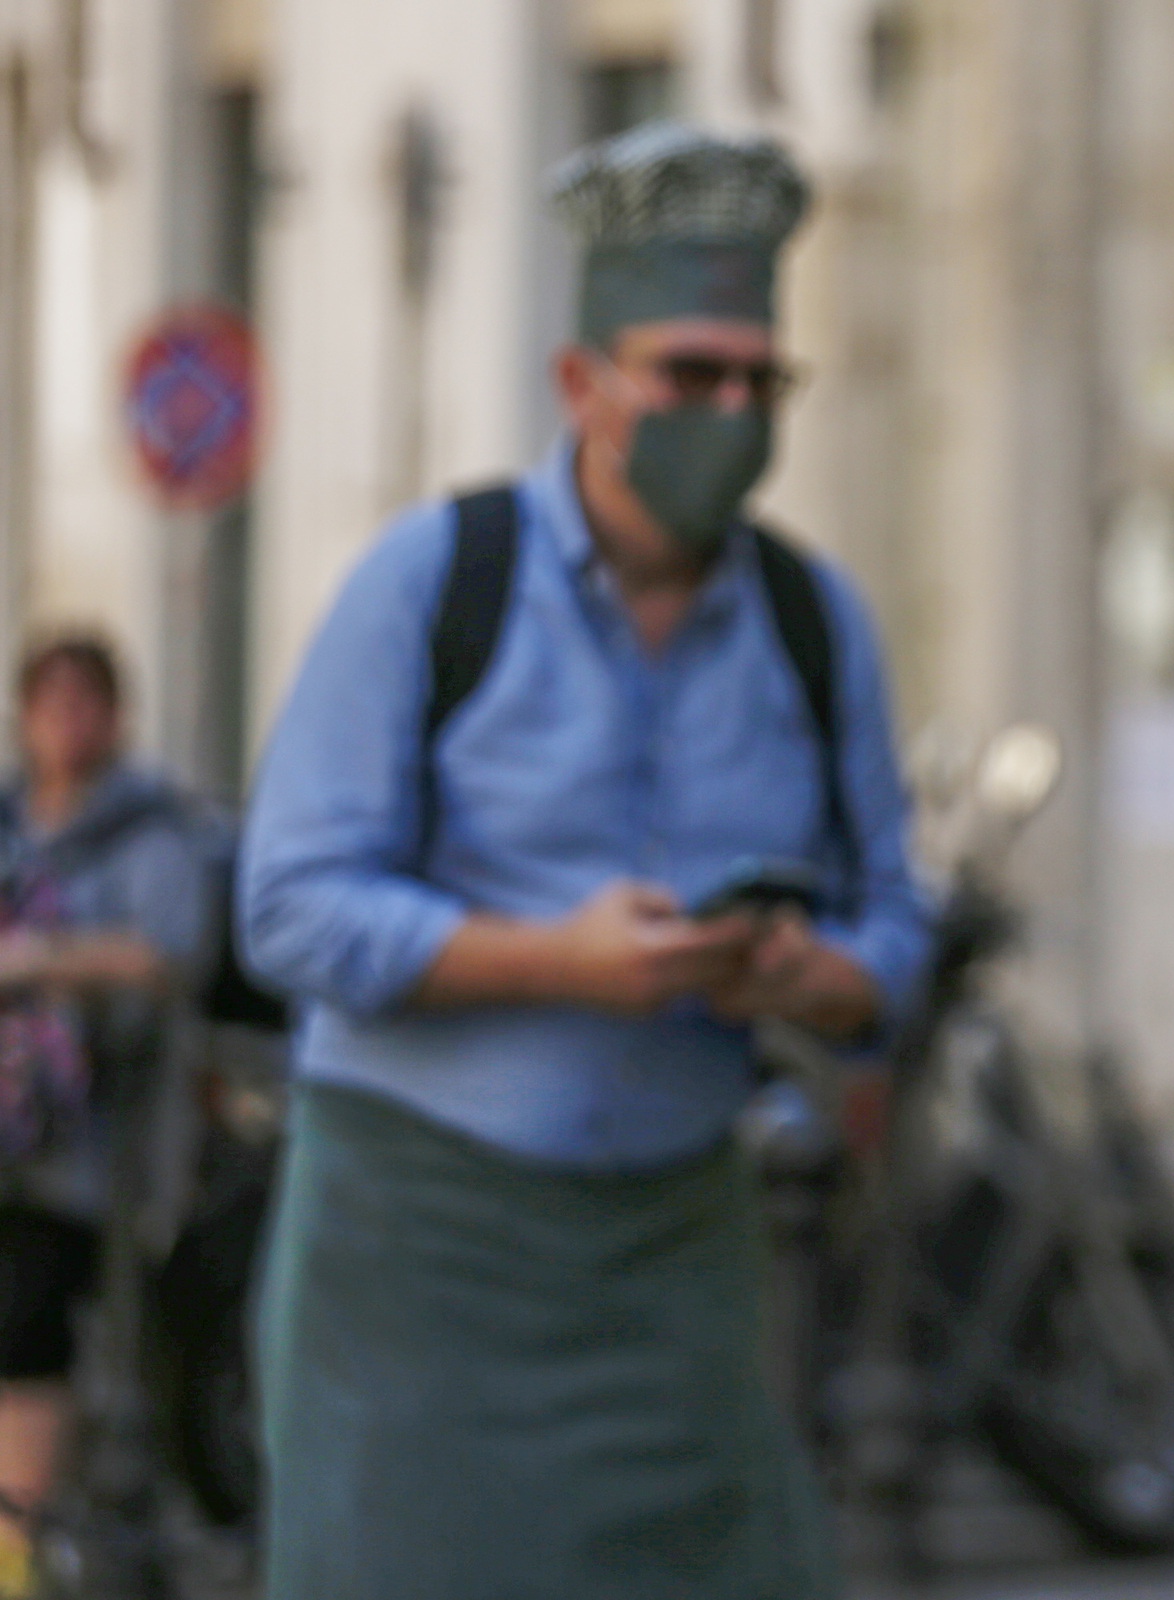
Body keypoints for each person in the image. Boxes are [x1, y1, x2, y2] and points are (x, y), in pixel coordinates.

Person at [240, 122, 928, 1600]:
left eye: (762, 382)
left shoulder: (816, 622)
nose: (732, 412)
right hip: (420, 1262)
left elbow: (897, 935)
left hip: (679, 1258)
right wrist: (555, 962)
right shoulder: (434, 581)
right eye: (691, 375)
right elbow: (286, 907)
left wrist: (816, 980)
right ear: (582, 382)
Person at [0, 634, 215, 1596]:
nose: (66, 721)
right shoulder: (8, 820)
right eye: (50, 701)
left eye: (86, 702)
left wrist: (39, 961)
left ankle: (17, 1554)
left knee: (31, 1334)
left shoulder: (155, 829)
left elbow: (166, 955)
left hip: (86, 1150)